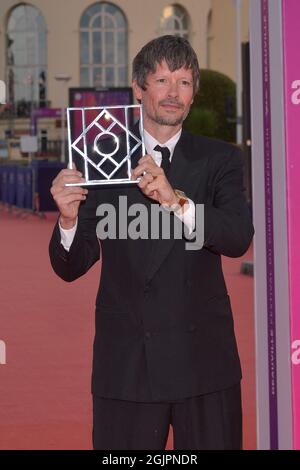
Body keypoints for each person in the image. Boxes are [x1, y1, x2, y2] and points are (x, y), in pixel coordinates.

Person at [49, 35, 254, 450]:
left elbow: (237, 238)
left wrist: (176, 200)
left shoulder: (220, 159)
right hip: (126, 362)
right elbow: (71, 266)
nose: (173, 93)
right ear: (138, 89)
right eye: (161, 80)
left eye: (183, 82)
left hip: (204, 362)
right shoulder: (100, 159)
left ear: (194, 93)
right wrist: (68, 219)